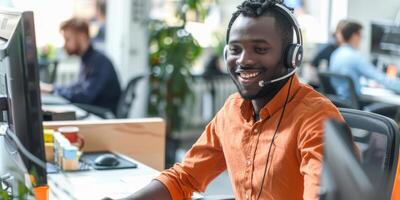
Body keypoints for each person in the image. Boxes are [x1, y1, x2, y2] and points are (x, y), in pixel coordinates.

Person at [111, 0, 343, 199]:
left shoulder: (317, 119)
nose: (244, 60)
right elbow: (185, 178)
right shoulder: (232, 110)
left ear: (291, 57)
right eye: (235, 49)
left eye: (260, 49)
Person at [41, 18, 121, 114]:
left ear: (81, 37)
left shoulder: (99, 62)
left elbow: (85, 97)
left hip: (101, 116)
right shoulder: (88, 60)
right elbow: (78, 88)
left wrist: (53, 89)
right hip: (93, 112)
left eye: (67, 39)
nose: (64, 45)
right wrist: (52, 88)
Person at [329, 21, 400, 101]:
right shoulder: (355, 57)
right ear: (354, 36)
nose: (362, 39)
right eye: (361, 35)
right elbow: (381, 79)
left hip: (341, 103)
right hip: (354, 106)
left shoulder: (335, 54)